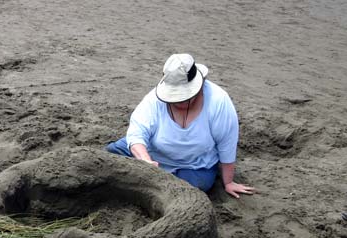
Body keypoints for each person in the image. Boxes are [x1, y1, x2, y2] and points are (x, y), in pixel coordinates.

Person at [106, 54, 255, 198]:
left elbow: (227, 142)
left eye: (184, 98)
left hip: (193, 165)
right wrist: (145, 160)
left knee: (189, 189)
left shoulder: (218, 101)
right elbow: (137, 133)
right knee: (108, 157)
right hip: (153, 154)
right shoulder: (153, 100)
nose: (178, 102)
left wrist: (228, 182)